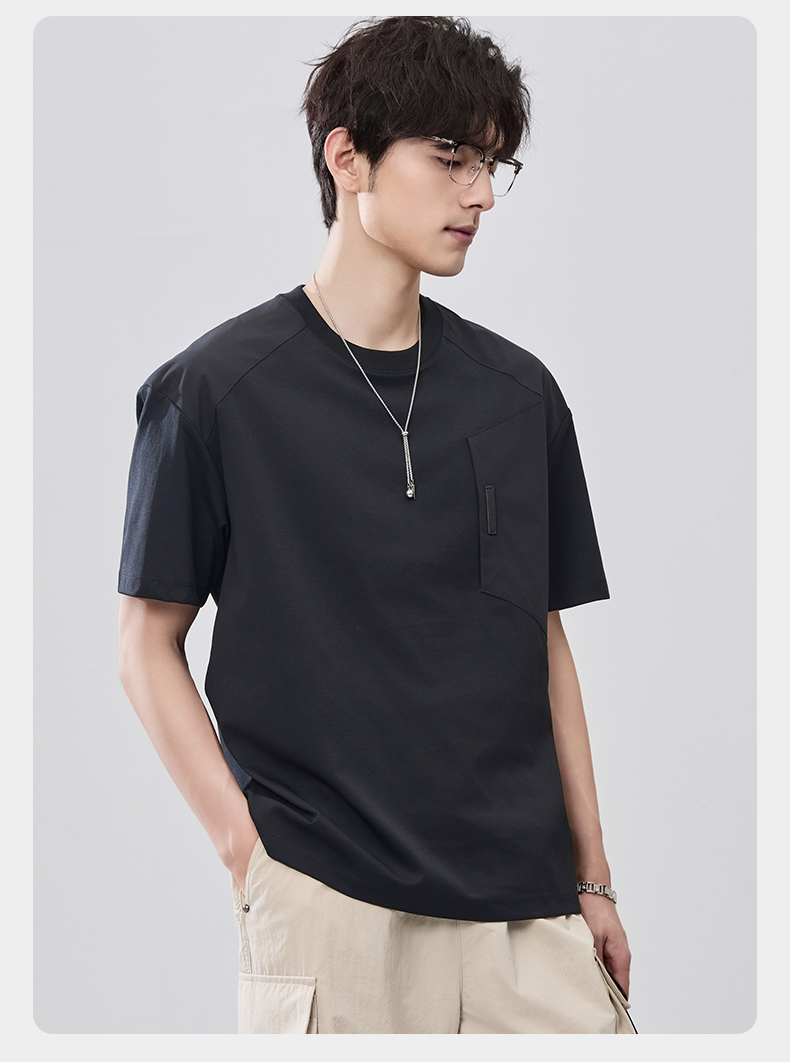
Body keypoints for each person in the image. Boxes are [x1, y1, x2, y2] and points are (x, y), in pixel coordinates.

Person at [117, 15, 634, 1034]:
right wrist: (251, 858)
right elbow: (145, 643)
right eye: (450, 157)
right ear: (346, 156)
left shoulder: (517, 395)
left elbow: (540, 637)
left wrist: (594, 877)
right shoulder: (214, 393)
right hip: (330, 909)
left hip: (527, 916)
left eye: (491, 163)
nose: (480, 194)